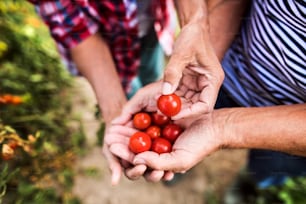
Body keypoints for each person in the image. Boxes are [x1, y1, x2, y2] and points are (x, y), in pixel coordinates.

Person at [104, 0, 306, 202]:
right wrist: (203, 46)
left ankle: (252, 183)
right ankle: (186, 162)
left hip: (292, 125)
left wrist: (221, 128)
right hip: (225, 73)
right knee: (188, 127)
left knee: (275, 164)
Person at [27, 0, 176, 184]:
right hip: (108, 42)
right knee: (131, 94)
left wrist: (194, 23)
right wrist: (115, 109)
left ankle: (151, 105)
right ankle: (136, 111)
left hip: (154, 22)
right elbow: (74, 29)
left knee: (152, 76)